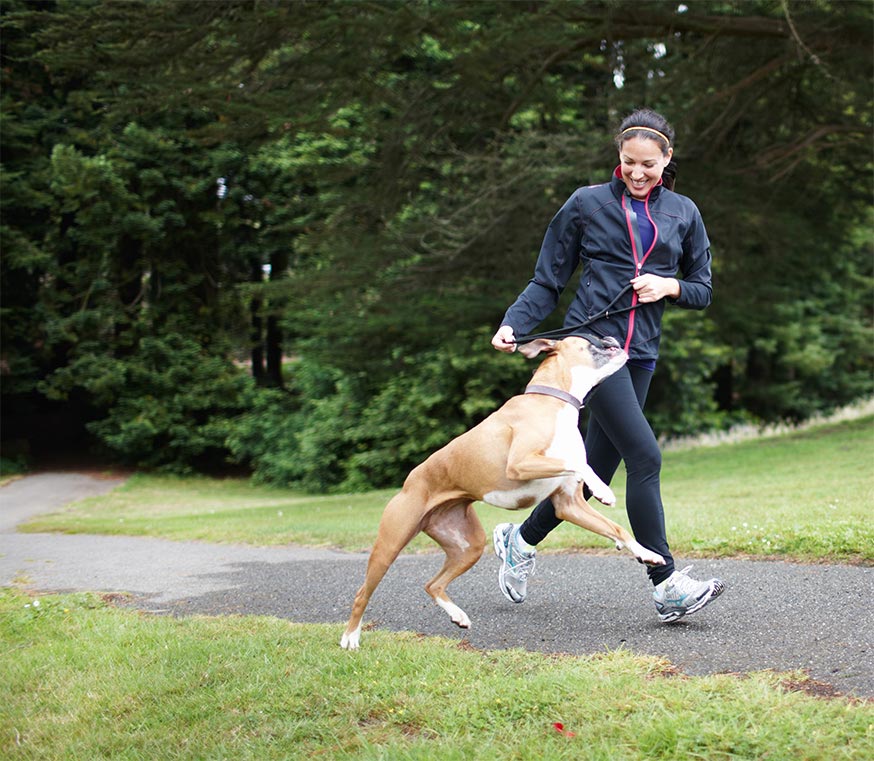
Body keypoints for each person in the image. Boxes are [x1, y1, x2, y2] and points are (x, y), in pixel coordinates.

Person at [490, 108, 724, 622]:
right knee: (645, 457)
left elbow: (703, 289)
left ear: (667, 158)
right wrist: (513, 323)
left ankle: (519, 541)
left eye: (648, 164)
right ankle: (666, 584)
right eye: (628, 162)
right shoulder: (587, 203)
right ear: (618, 156)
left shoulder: (683, 212)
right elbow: (547, 280)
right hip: (589, 350)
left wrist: (669, 285)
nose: (637, 173)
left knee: (597, 467)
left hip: (641, 355)